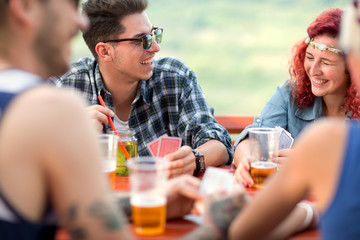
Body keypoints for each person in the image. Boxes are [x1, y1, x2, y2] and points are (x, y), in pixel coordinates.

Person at [0, 0, 204, 239]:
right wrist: (220, 225)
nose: (80, 23)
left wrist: (145, 200)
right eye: (70, 5)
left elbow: (76, 207)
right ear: (24, 7)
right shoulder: (51, 108)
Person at [49, 0, 233, 178]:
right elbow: (32, 164)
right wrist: (72, 139)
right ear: (105, 51)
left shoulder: (174, 78)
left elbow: (219, 143)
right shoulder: (63, 87)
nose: (155, 47)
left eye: (153, 35)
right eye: (140, 40)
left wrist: (194, 159)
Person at [227, 2, 360, 239]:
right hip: (287, 212)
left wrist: (307, 168)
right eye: (310, 57)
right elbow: (251, 135)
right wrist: (246, 159)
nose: (314, 70)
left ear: (351, 67)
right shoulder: (292, 92)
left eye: (326, 63)